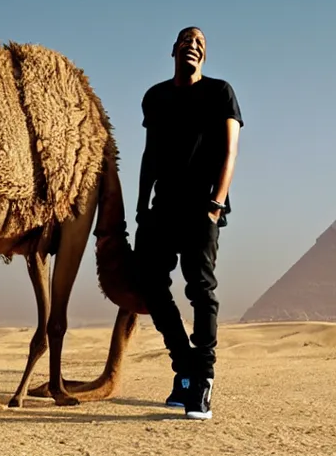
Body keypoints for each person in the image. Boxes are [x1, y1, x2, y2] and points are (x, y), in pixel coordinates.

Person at [135, 25, 242, 421]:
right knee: (150, 284)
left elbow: (230, 151)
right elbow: (149, 155)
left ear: (205, 55)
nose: (192, 45)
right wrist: (141, 207)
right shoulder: (155, 97)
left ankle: (203, 381)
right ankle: (184, 368)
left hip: (201, 207)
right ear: (173, 50)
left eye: (199, 42)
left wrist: (216, 203)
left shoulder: (220, 92)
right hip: (161, 208)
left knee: (200, 289)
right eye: (186, 40)